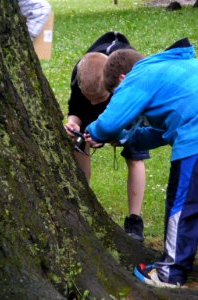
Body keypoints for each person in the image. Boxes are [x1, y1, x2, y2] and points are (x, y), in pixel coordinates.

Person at [85, 37, 198, 287]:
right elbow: (162, 132)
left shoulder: (139, 76)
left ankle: (170, 273)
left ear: (123, 79)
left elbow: (110, 123)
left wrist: (93, 132)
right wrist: (127, 141)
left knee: (182, 205)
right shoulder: (171, 70)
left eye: (116, 94)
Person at [64, 32, 150, 242]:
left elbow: (135, 121)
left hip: (126, 106)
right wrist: (74, 122)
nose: (93, 104)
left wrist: (114, 135)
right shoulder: (81, 74)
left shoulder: (129, 78)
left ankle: (134, 221)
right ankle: (83, 206)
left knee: (134, 156)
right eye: (88, 97)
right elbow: (76, 108)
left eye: (98, 98)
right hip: (102, 92)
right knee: (79, 143)